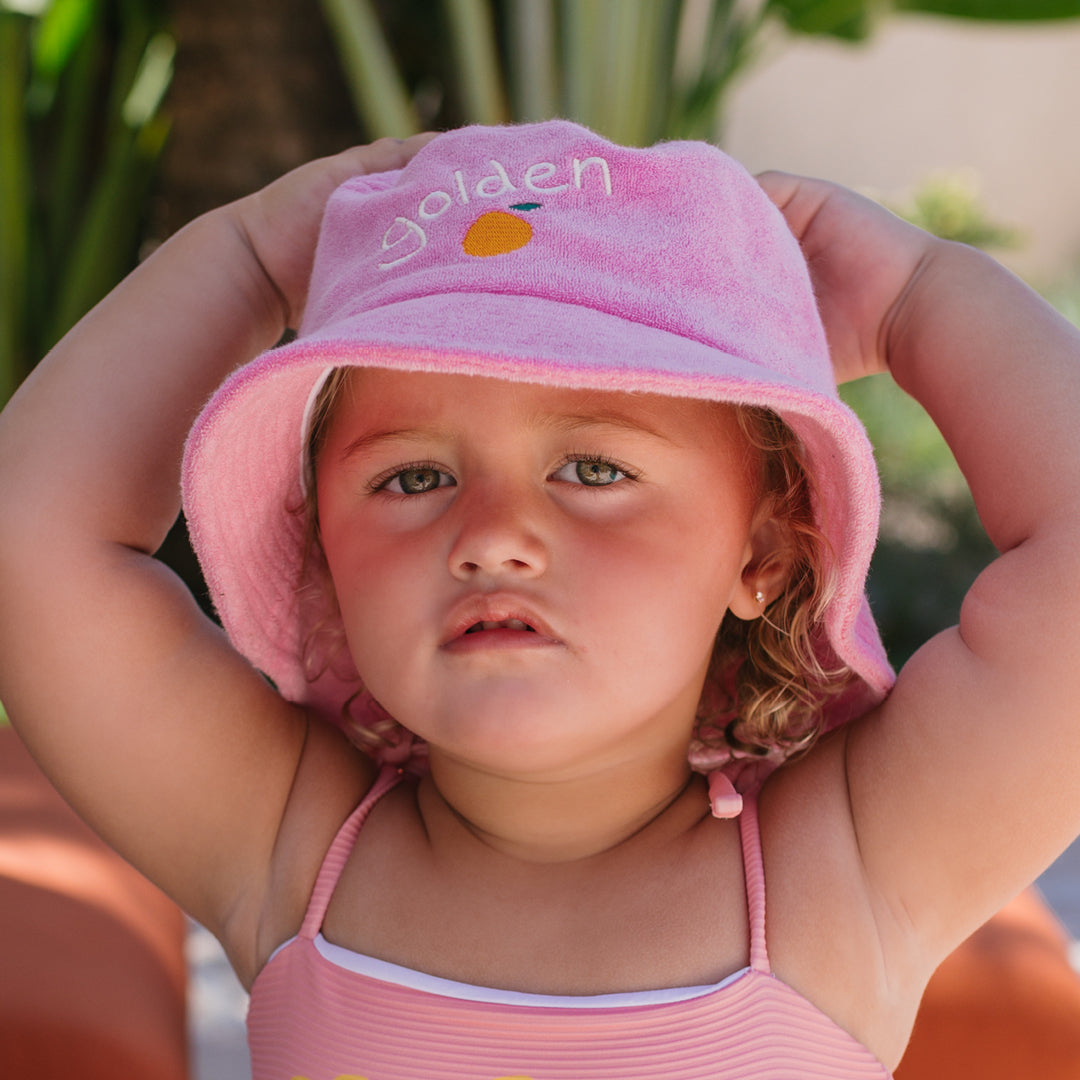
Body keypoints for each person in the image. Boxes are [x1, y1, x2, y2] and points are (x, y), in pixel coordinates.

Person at [0, 119, 1078, 1080]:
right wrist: (247, 258)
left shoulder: (844, 867)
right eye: (412, 478)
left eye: (595, 472)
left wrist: (914, 295)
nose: (494, 538)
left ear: (764, 555)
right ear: (325, 556)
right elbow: (33, 544)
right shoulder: (288, 846)